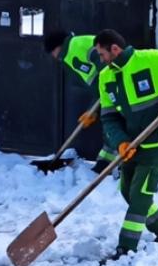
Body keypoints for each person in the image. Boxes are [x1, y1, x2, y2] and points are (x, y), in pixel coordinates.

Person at [92, 29, 158, 260]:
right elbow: (109, 117)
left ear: (115, 49)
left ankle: (125, 248)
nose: (101, 60)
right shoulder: (106, 77)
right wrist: (120, 141)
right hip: (131, 146)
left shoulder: (151, 60)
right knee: (127, 191)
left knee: (140, 194)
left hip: (156, 141)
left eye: (103, 55)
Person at [44, 31, 118, 172]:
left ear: (56, 48)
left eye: (52, 53)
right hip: (107, 92)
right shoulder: (69, 55)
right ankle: (105, 163)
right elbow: (95, 82)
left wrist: (108, 84)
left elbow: (104, 61)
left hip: (115, 87)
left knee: (115, 125)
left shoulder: (77, 45)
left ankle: (121, 166)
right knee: (110, 123)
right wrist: (92, 110)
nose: (54, 58)